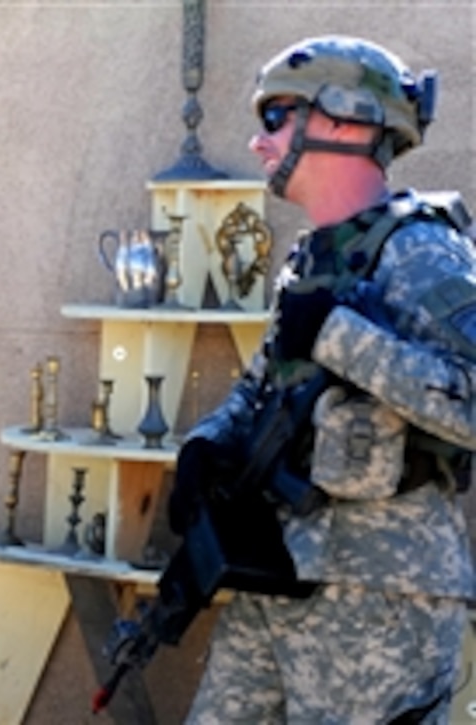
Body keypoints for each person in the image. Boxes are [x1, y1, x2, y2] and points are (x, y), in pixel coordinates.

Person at [168, 36, 476, 723]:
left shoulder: (422, 250)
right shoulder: (314, 260)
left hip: (385, 593)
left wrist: (343, 335)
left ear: (346, 119)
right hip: (281, 572)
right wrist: (209, 440)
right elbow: (265, 384)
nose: (258, 141)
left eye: (276, 116)